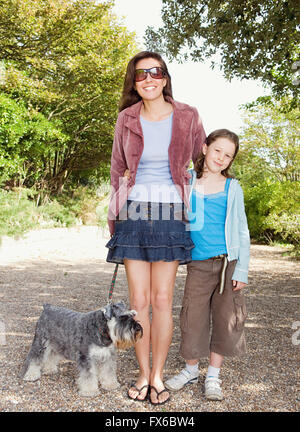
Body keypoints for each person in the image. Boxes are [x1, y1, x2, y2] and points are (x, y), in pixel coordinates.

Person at [105, 51, 206, 405]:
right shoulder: (126, 118)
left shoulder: (188, 115)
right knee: (139, 301)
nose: (148, 78)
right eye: (140, 74)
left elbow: (203, 161)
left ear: (164, 77)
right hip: (133, 212)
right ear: (133, 83)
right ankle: (143, 375)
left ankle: (159, 375)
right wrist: (114, 216)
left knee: (162, 300)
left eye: (155, 71)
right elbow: (118, 170)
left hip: (170, 213)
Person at [165, 129, 250, 401]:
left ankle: (213, 375)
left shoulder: (232, 188)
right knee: (192, 317)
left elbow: (242, 230)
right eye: (217, 151)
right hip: (198, 264)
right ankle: (191, 369)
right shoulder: (186, 180)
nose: (221, 158)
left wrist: (243, 270)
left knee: (226, 319)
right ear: (204, 148)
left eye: (228, 155)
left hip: (228, 264)